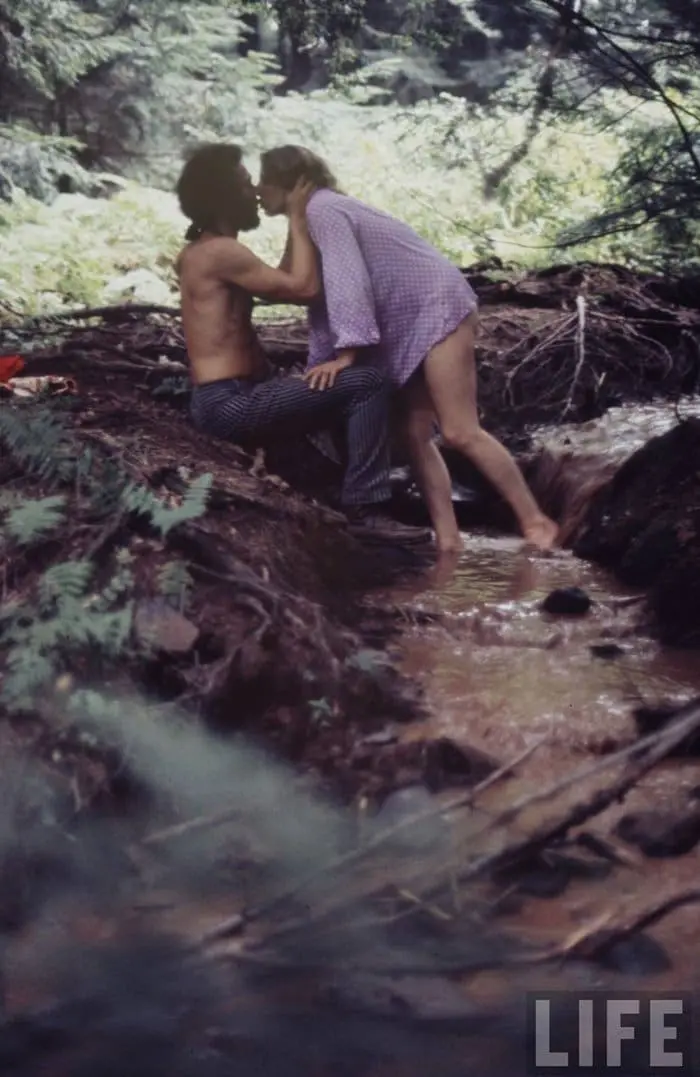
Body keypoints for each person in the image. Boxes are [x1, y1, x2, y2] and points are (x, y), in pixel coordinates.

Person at [257, 145, 559, 554]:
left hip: (435, 307)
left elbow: (349, 280)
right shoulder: (309, 215)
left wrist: (347, 352)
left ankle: (536, 522)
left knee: (459, 430)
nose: (258, 191)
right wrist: (293, 220)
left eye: (263, 181)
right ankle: (449, 541)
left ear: (286, 182)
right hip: (409, 318)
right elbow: (292, 282)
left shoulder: (324, 211)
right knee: (414, 433)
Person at [174, 143, 429, 544]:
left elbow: (282, 280)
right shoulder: (220, 252)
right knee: (368, 382)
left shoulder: (209, 251)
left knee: (336, 388)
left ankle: (362, 489)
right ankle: (366, 507)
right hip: (230, 405)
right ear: (222, 196)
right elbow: (305, 287)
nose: (256, 192)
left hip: (238, 395)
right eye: (245, 185)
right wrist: (297, 217)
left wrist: (298, 225)